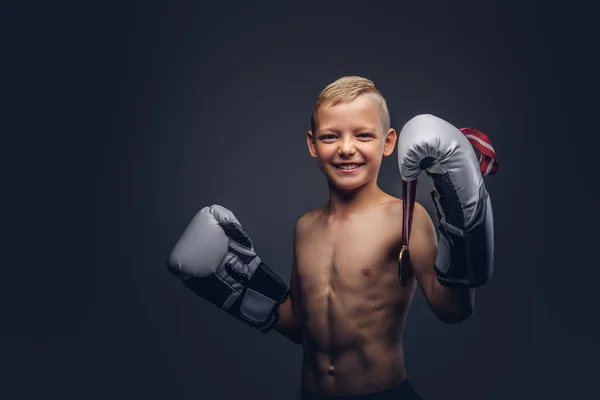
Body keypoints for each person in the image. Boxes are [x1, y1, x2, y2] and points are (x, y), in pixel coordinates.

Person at [167, 76, 496, 399]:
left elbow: (453, 311)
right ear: (312, 144)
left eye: (364, 135)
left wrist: (466, 229)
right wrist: (237, 287)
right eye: (330, 137)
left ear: (388, 142)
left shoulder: (405, 219)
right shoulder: (305, 227)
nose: (347, 148)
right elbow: (300, 326)